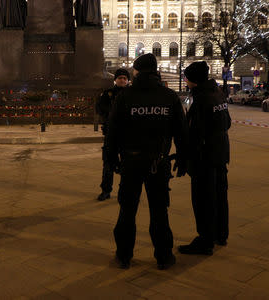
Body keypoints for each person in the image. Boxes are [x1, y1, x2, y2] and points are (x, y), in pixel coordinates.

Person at [106, 53, 188, 269]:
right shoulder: (169, 96)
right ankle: (164, 256)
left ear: (136, 71)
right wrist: (183, 157)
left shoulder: (125, 96)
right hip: (158, 163)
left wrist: (111, 159)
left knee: (127, 211)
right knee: (159, 212)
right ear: (155, 71)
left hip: (131, 162)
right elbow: (181, 132)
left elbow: (112, 131)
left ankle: (124, 255)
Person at [178, 62, 231, 255]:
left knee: (203, 200)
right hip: (220, 154)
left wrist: (187, 157)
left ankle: (205, 240)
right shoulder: (218, 93)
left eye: (186, 77)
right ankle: (220, 233)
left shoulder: (200, 98)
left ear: (194, 79)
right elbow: (228, 123)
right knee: (220, 196)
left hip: (204, 158)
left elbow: (194, 133)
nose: (185, 80)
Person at [96, 68, 130, 201]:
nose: (122, 80)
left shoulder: (131, 94)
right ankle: (106, 190)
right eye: (120, 78)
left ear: (128, 81)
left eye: (125, 78)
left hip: (128, 135)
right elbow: (100, 108)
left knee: (128, 165)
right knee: (108, 163)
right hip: (111, 134)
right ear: (115, 79)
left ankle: (126, 191)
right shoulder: (107, 94)